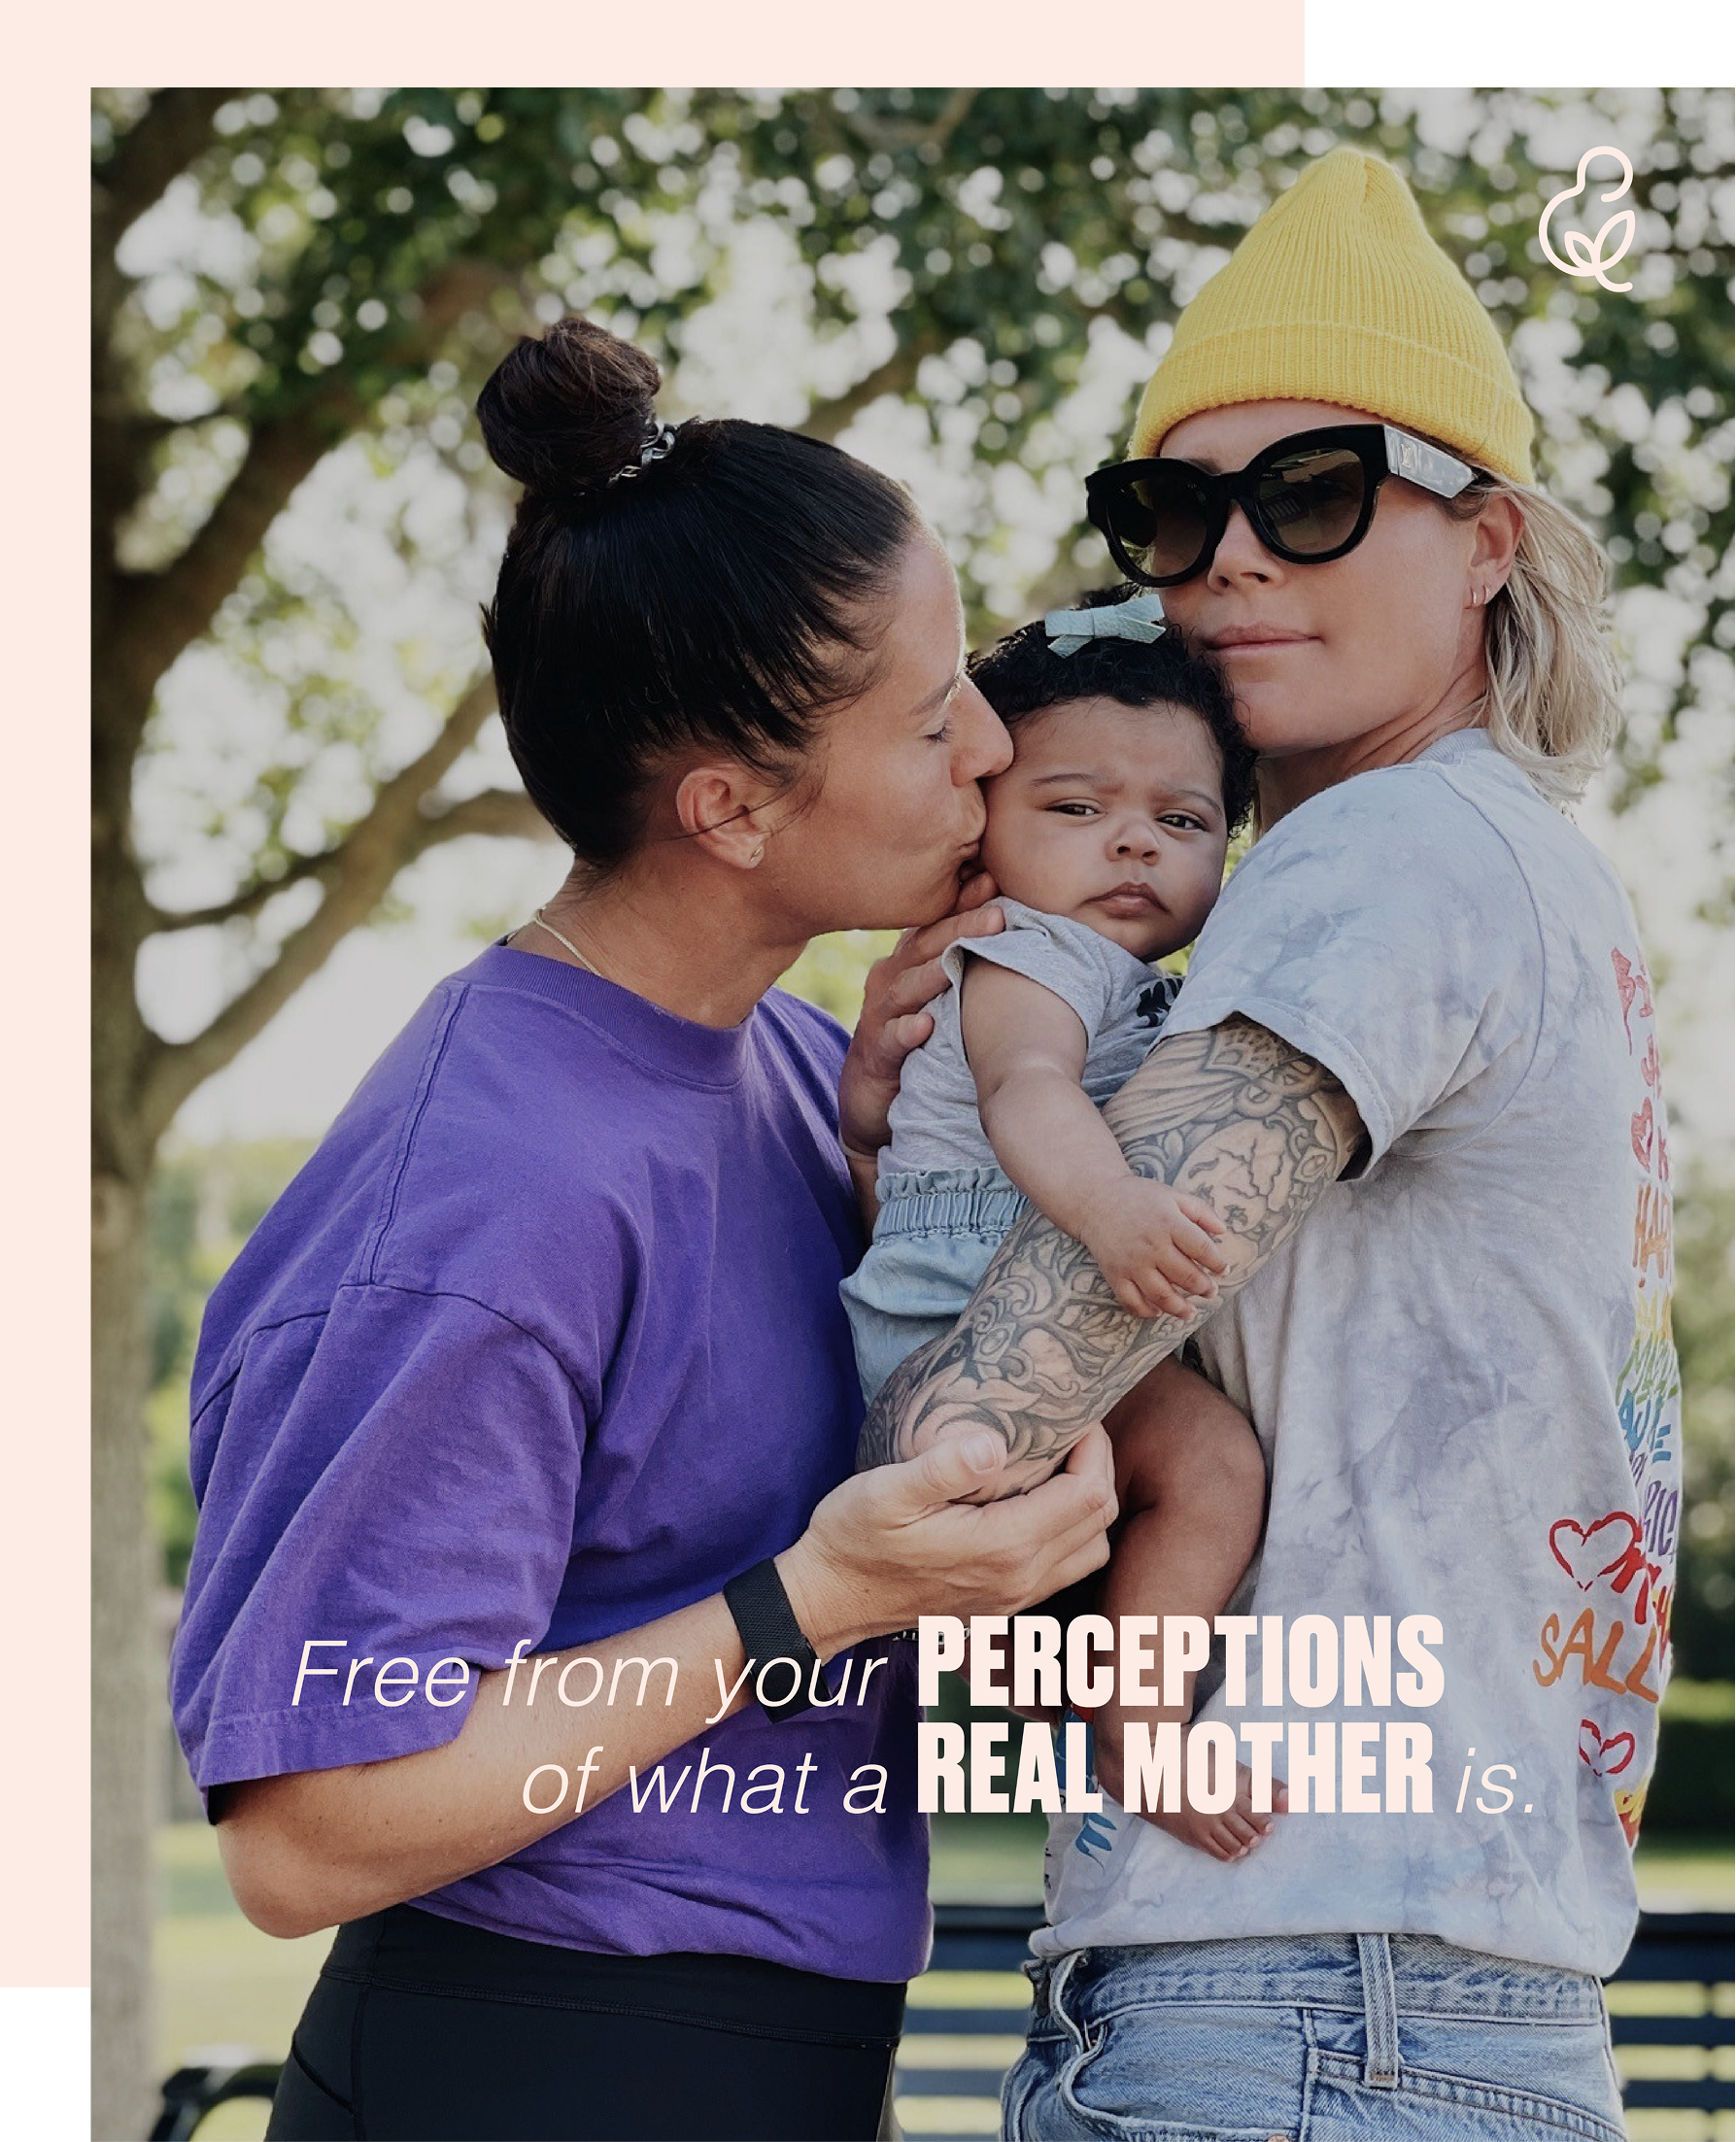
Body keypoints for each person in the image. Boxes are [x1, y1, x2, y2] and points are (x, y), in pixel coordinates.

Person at [168, 315, 1119, 2142]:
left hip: (775, 2058)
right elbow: (303, 1833)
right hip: (536, 2068)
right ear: (729, 808)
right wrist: (813, 1602)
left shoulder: (805, 1072)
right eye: (932, 718)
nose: (995, 750)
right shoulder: (487, 1183)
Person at [857, 149, 1678, 2142]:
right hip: (1394, 1990)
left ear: (1484, 542)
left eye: (1310, 494)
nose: (1222, 559)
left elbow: (973, 1430)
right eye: (1170, 508)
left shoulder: (1383, 853)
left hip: (1306, 1998)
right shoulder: (1511, 865)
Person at [841, 591, 1276, 1860]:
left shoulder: (1133, 979)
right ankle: (1143, 1730)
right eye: (1076, 809)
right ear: (983, 830)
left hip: (988, 1326)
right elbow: (1026, 1089)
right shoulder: (1030, 954)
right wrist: (1113, 1210)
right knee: (1211, 1470)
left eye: (1182, 821)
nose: (1133, 843)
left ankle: (1073, 1703)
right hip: (965, 1322)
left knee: (1051, 1595)